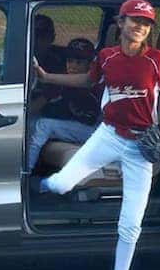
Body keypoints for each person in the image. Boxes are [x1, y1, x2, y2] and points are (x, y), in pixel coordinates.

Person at [32, 0, 160, 270]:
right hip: (109, 135)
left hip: (141, 145)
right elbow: (88, 80)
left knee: (131, 224)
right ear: (120, 23)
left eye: (146, 23)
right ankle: (40, 186)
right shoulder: (108, 57)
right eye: (135, 20)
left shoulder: (156, 59)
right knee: (61, 184)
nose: (140, 27)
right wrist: (46, 76)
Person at [26, 38, 105, 171]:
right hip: (76, 126)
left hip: (95, 131)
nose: (72, 66)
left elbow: (89, 118)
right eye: (70, 61)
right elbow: (37, 106)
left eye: (79, 62)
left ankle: (26, 172)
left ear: (91, 64)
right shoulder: (62, 81)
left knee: (44, 125)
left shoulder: (96, 83)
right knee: (31, 122)